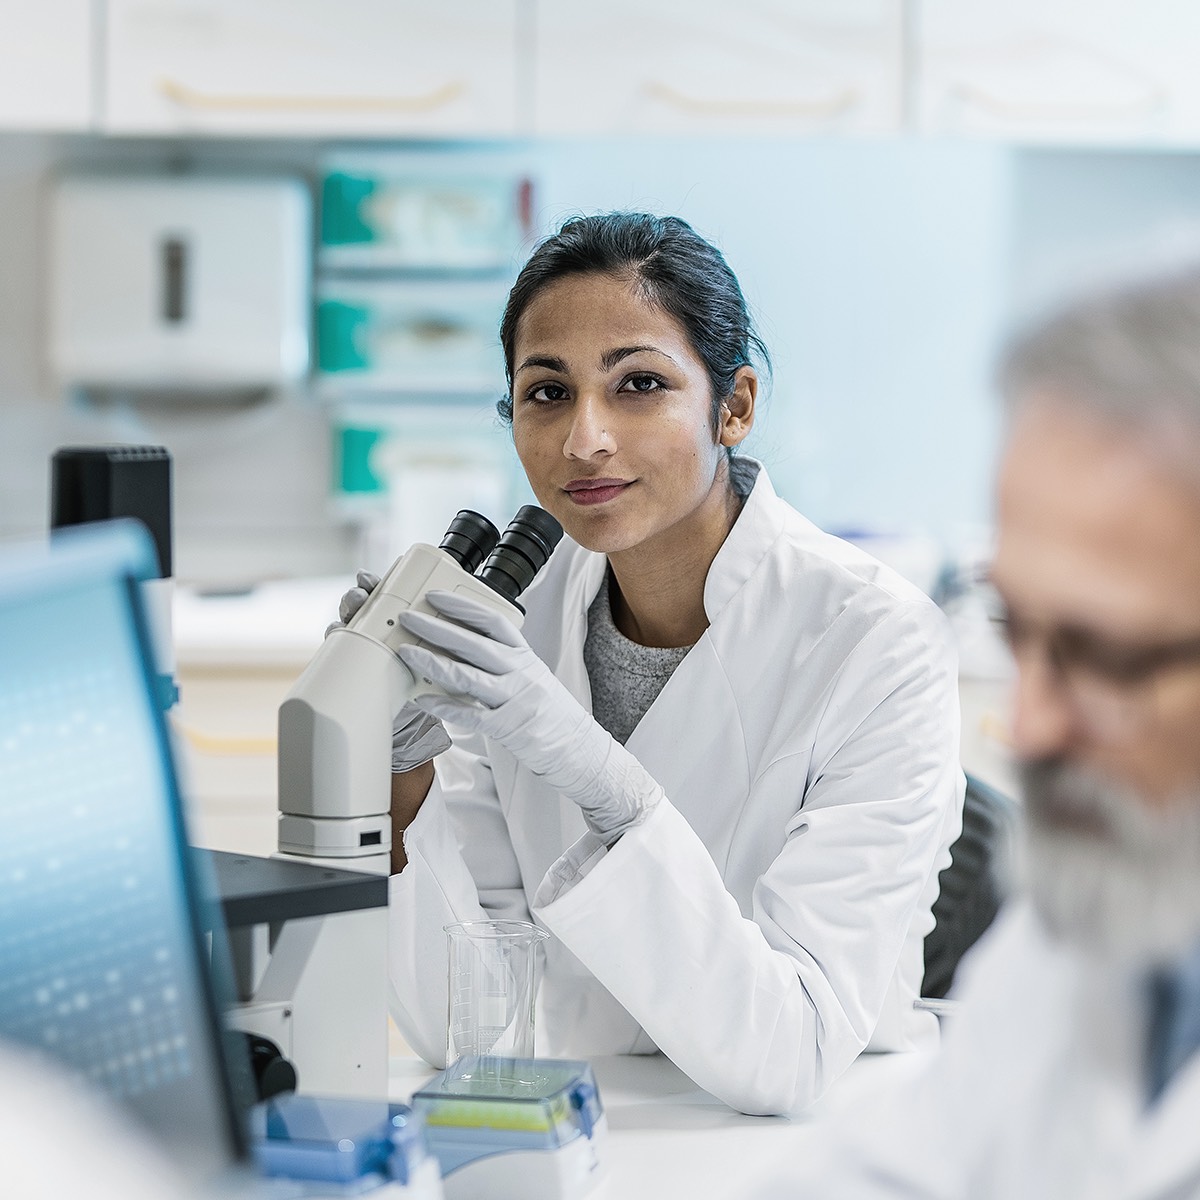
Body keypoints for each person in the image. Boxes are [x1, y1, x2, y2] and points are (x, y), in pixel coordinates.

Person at [348, 212, 964, 1116]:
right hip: (600, 1119)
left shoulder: (876, 640)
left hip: (811, 1137)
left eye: (638, 383)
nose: (584, 439)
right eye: (547, 392)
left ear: (734, 406)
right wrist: (400, 773)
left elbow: (793, 1054)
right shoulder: (518, 621)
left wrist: (593, 772)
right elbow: (468, 1030)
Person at [754, 266, 1200, 1192]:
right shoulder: (1090, 941)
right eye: (1017, 631)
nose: (1026, 728)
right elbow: (900, 1166)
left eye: (1105, 659)